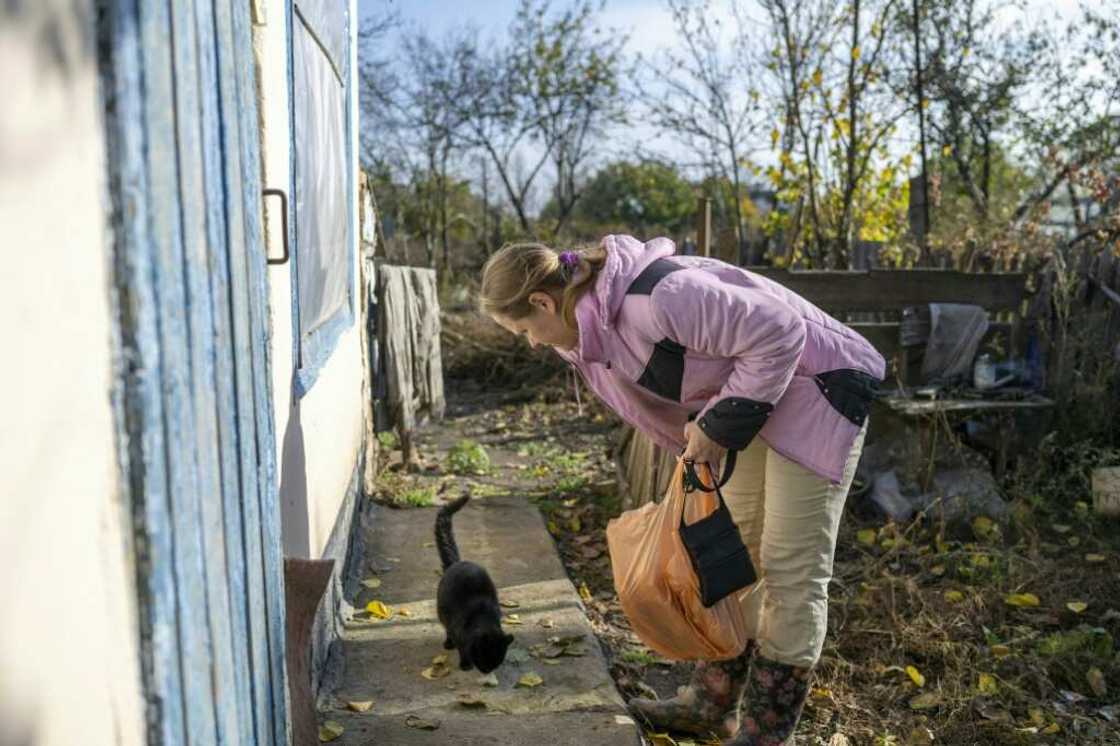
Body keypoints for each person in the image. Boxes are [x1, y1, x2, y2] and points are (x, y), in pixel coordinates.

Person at [479, 235, 884, 745]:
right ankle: (711, 706)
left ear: (542, 301)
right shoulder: (585, 330)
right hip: (757, 395)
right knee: (735, 557)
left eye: (524, 330)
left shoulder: (659, 299)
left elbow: (781, 332)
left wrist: (715, 427)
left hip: (820, 387)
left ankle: (765, 734)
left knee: (790, 568)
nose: (532, 343)